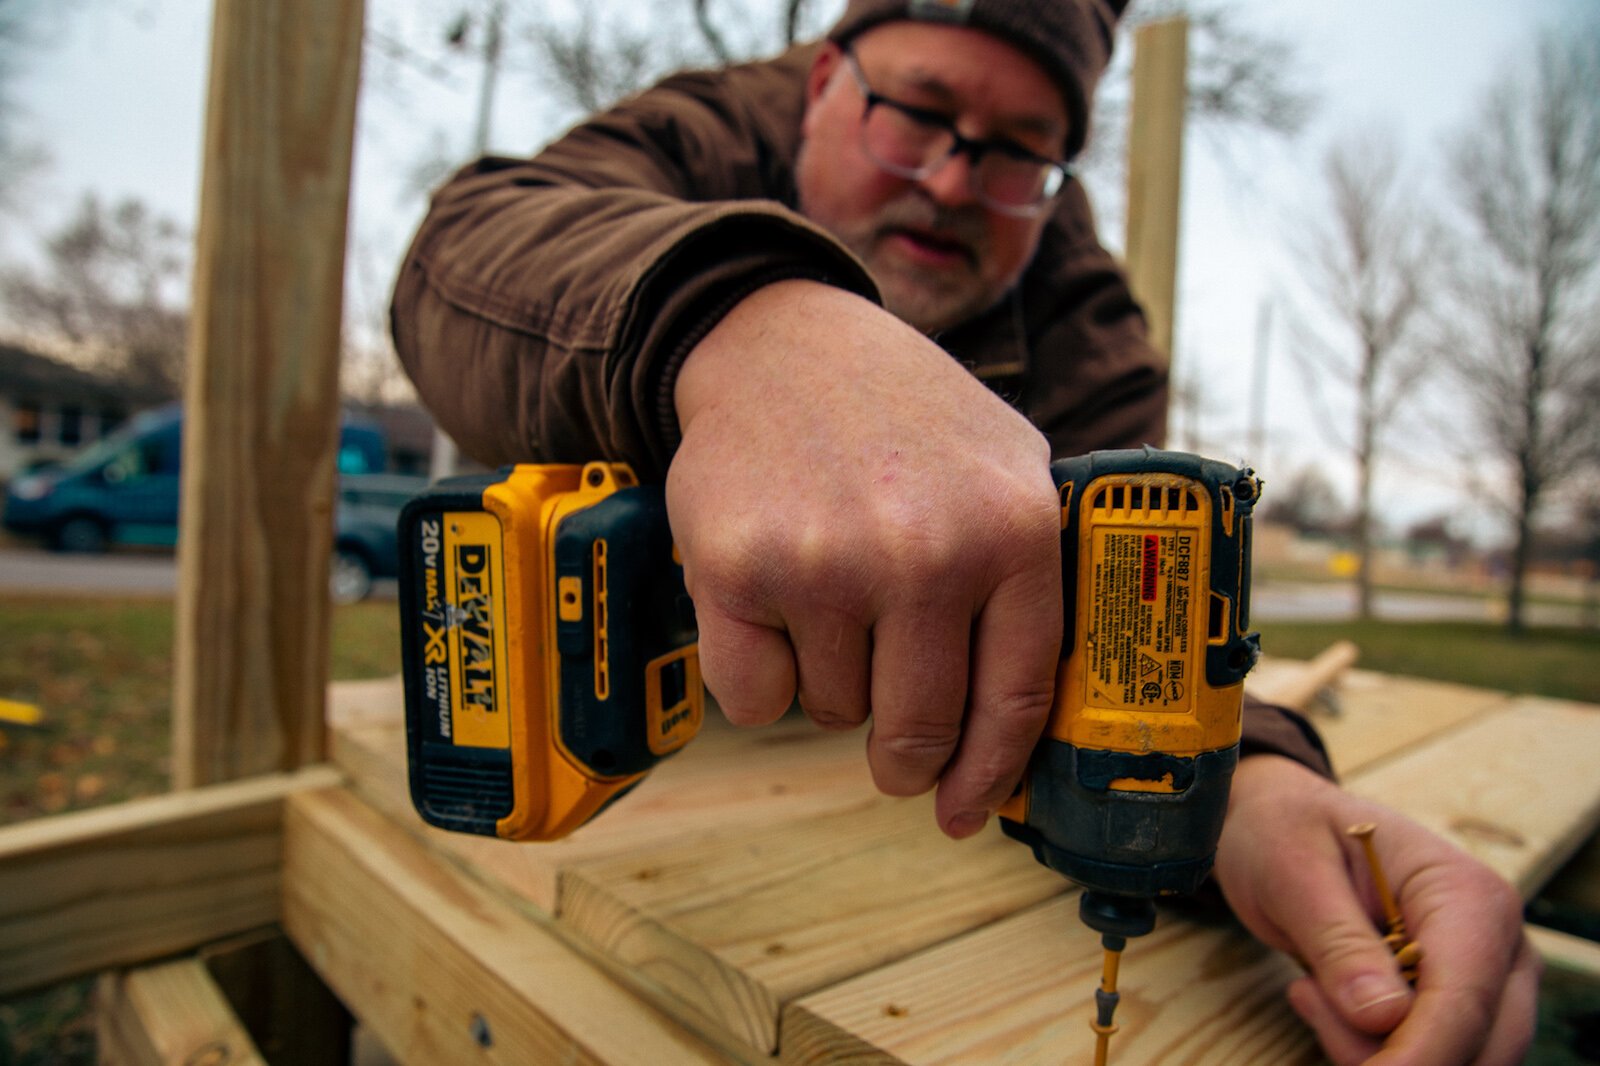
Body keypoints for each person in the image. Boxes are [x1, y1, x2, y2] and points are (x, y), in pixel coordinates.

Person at [390, 0, 1537, 1060]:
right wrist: (738, 318)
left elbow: (1124, 625)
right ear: (828, 75)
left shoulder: (1085, 334)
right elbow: (462, 254)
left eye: (1019, 149)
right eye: (920, 113)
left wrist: (1252, 793)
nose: (951, 179)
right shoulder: (711, 130)